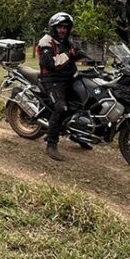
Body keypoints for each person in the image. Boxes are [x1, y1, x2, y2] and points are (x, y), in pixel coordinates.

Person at [37, 12, 90, 161]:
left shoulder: (66, 41)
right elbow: (50, 64)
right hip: (52, 80)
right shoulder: (46, 42)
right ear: (53, 28)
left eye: (65, 28)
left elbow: (70, 56)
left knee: (82, 104)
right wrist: (70, 54)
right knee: (61, 107)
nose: (63, 30)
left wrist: (79, 55)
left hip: (69, 78)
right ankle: (51, 143)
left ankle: (76, 134)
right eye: (60, 27)